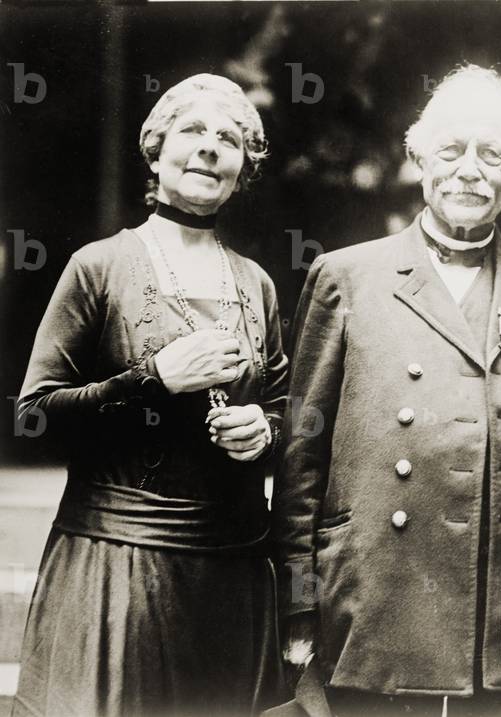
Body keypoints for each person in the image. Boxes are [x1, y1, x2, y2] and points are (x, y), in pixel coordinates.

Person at [271, 65, 501, 717]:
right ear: (418, 161)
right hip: (378, 597)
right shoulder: (347, 278)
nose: (470, 170)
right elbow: (301, 461)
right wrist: (298, 602)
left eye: (491, 154)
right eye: (452, 150)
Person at [14, 74, 288, 716]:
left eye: (228, 138)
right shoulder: (100, 266)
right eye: (192, 131)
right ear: (156, 151)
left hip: (233, 573)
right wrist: (153, 380)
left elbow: (286, 412)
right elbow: (33, 417)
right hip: (118, 569)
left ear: (244, 167)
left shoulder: (257, 283)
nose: (210, 148)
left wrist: (264, 430)